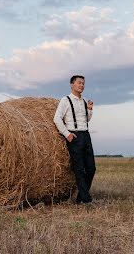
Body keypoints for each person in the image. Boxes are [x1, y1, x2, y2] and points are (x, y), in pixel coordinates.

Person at [53, 74, 96, 204]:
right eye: (79, 83)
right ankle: (86, 200)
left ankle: (81, 197)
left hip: (86, 135)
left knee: (91, 168)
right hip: (75, 136)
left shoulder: (83, 101)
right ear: (72, 84)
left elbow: (86, 120)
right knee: (79, 168)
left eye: (83, 83)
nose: (81, 85)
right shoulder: (65, 100)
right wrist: (67, 134)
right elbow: (57, 118)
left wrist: (89, 110)